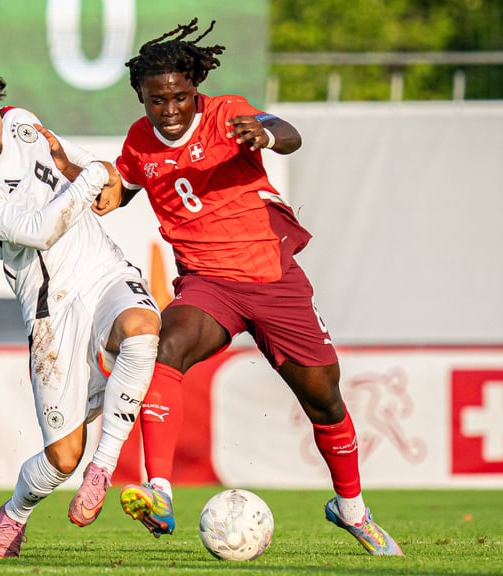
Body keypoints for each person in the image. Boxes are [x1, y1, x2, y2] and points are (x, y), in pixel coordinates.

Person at [105, 19, 403, 556]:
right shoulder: (138, 141)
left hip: (272, 279)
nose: (169, 109)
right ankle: (160, 491)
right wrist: (74, 180)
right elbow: (118, 190)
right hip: (208, 285)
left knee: (325, 402)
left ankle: (352, 509)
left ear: (195, 89)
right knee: (162, 348)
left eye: (179, 97)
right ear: (141, 97)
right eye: (156, 100)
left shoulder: (227, 113)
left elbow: (286, 133)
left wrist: (264, 135)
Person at [0, 63, 161, 559]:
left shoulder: (21, 121)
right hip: (50, 306)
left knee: (143, 330)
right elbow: (39, 232)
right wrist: (91, 180)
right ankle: (15, 512)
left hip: (104, 270)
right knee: (61, 458)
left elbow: (82, 164)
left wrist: (101, 176)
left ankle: (104, 468)